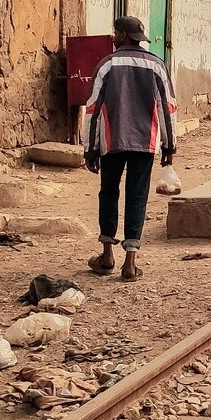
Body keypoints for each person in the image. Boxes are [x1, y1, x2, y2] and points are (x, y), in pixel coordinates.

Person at [82, 15, 178, 280]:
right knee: (137, 196)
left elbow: (93, 109)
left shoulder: (107, 64)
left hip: (111, 143)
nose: (113, 37)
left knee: (108, 193)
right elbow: (167, 108)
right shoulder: (157, 65)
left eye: (116, 33)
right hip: (144, 143)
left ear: (123, 35)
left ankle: (107, 255)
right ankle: (130, 263)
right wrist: (170, 146)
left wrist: (89, 147)